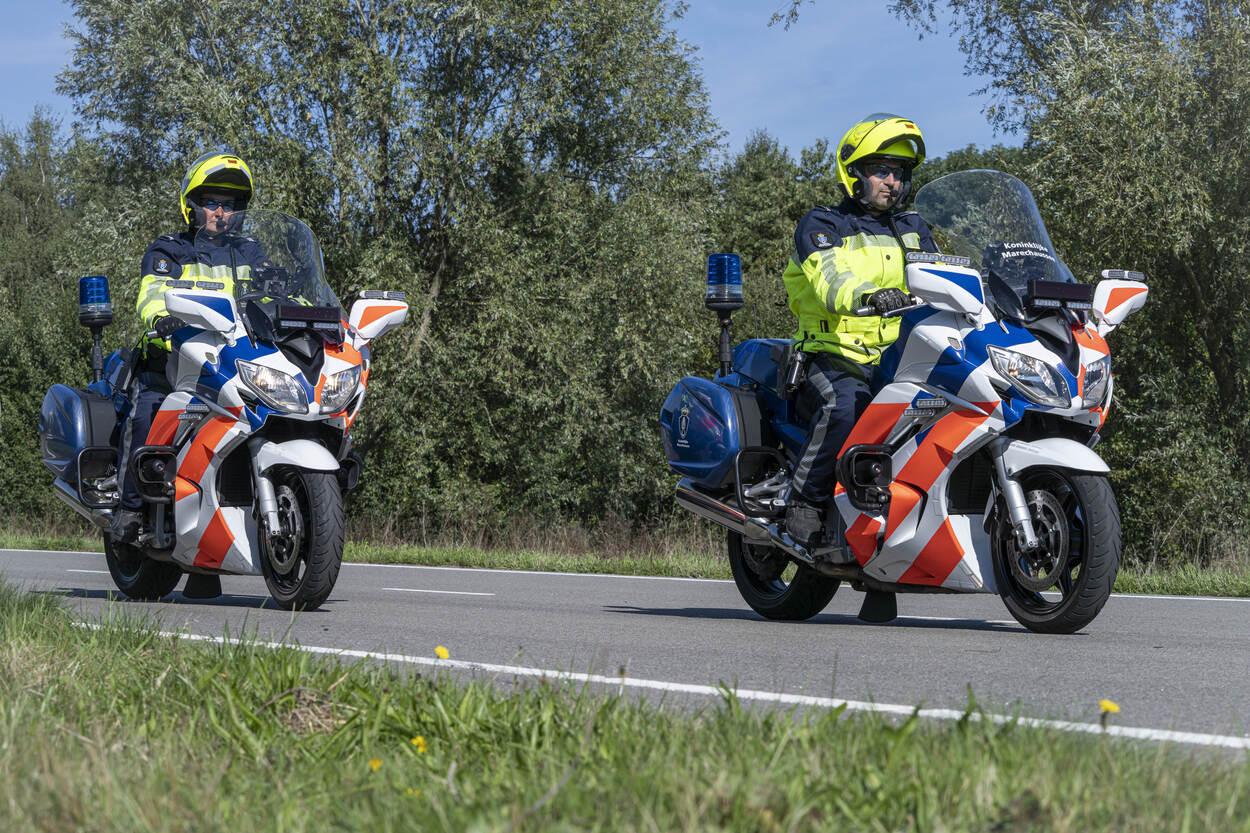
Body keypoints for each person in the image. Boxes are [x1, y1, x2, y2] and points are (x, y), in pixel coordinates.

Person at [780, 114, 939, 553]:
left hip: (900, 357)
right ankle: (805, 502)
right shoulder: (823, 224)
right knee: (846, 405)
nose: (892, 181)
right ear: (854, 173)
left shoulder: (913, 228)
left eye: (899, 172)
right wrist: (869, 296)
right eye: (881, 170)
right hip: (832, 352)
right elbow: (830, 279)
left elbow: (946, 276)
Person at [112, 151, 258, 544]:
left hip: (229, 363)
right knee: (148, 416)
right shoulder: (170, 249)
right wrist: (161, 318)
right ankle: (129, 508)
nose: (220, 213)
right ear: (191, 205)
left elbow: (282, 294)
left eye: (229, 204)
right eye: (211, 202)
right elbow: (151, 294)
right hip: (170, 360)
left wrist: (307, 315)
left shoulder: (250, 253)